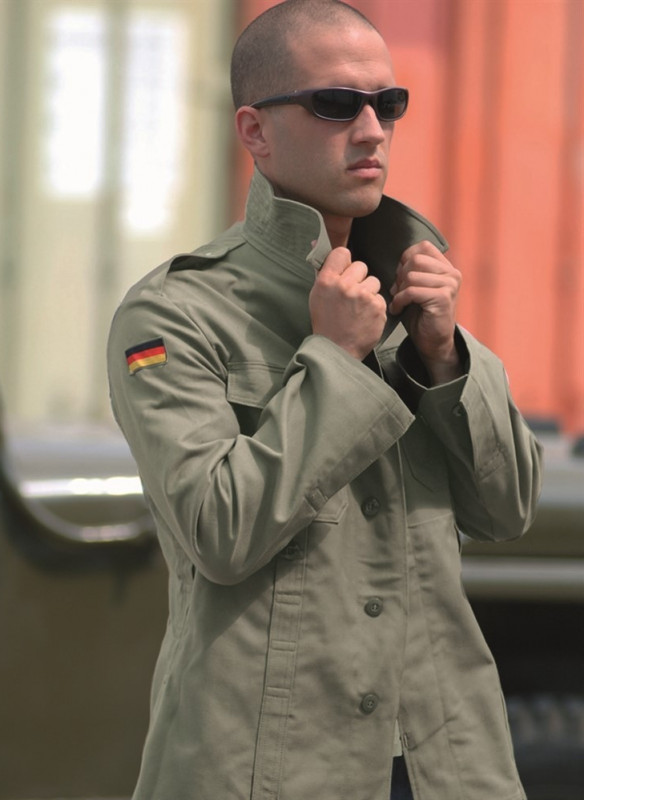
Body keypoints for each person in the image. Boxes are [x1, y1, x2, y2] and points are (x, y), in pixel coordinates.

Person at [107, 1, 543, 798]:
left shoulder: (411, 298)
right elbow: (220, 531)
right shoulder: (174, 316)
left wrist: (445, 355)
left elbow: (507, 509)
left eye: (389, 103)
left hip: (444, 767)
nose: (372, 130)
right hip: (267, 770)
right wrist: (335, 361)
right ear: (255, 130)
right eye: (337, 104)